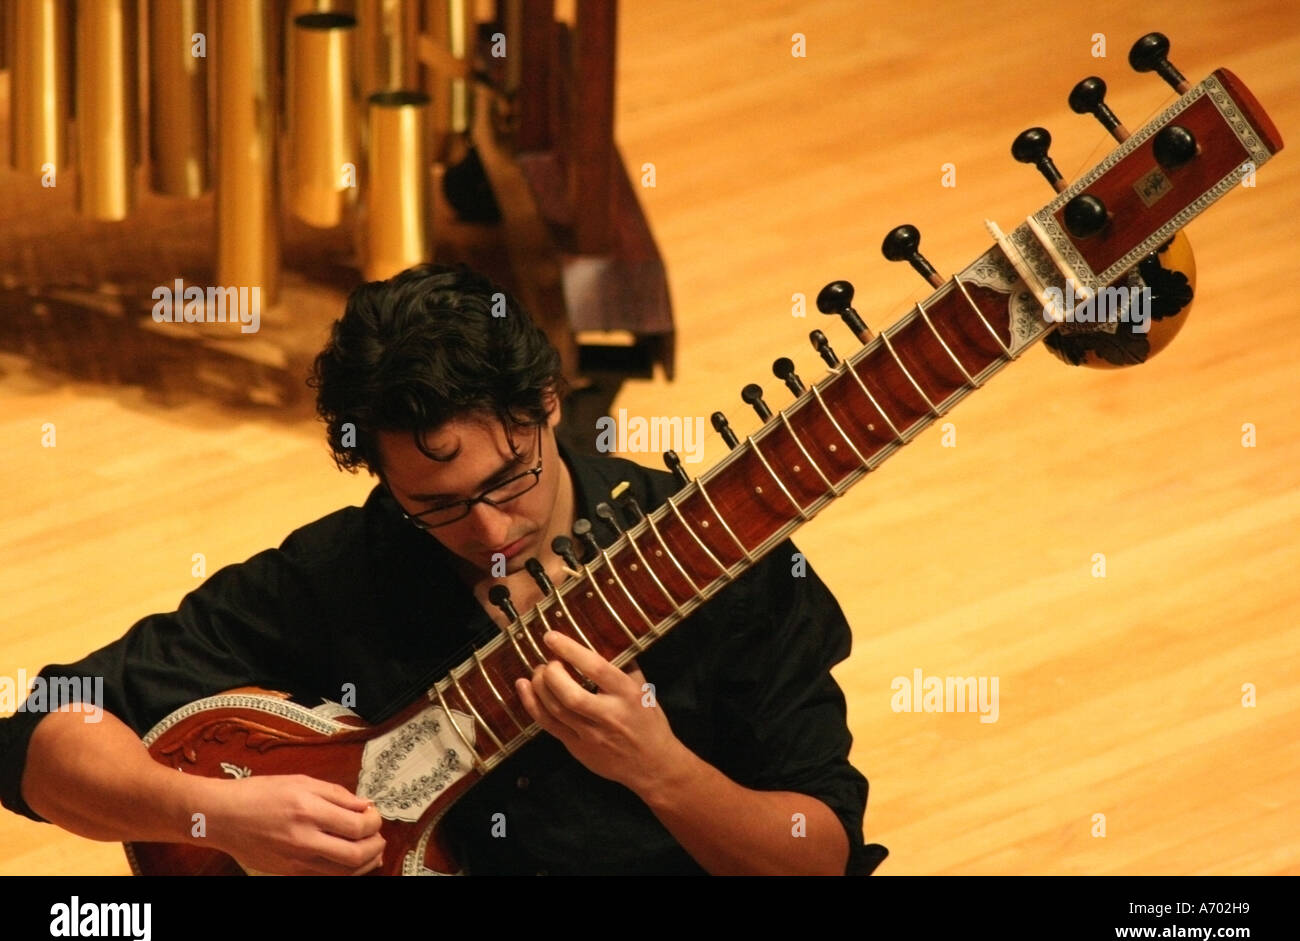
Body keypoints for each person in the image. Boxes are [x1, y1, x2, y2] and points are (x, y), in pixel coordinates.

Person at [0, 263, 885, 875]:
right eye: (441, 505)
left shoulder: (715, 557)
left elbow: (817, 858)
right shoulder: (348, 572)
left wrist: (659, 769)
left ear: (547, 403)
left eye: (510, 478)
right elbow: (34, 735)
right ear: (381, 477)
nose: (493, 527)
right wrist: (215, 816)